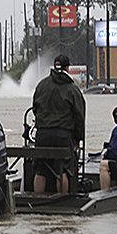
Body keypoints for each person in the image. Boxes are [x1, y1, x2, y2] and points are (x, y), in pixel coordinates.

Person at [32, 54, 85, 194]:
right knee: (62, 170)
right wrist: (78, 138)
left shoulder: (42, 85)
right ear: (67, 68)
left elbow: (35, 108)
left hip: (42, 134)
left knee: (40, 170)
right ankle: (61, 201)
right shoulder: (72, 89)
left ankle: (37, 200)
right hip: (62, 135)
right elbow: (79, 116)